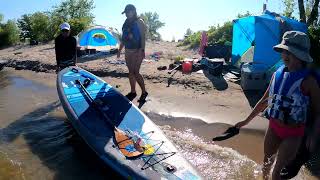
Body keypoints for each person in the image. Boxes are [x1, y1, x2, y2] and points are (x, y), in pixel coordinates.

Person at [234, 31, 320, 180]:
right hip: (274, 127)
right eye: (283, 51)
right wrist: (245, 121)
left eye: (290, 53)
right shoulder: (276, 75)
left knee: (277, 172)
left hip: (294, 133)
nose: (285, 55)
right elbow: (264, 101)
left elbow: (319, 112)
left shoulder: (309, 82)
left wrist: (313, 135)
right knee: (267, 162)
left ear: (301, 56)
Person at [117, 4, 148, 102]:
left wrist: (142, 50)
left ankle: (144, 92)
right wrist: (119, 50)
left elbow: (143, 37)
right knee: (130, 72)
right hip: (128, 51)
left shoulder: (139, 22)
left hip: (137, 51)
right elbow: (123, 39)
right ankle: (133, 91)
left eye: (128, 12)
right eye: (125, 12)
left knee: (136, 72)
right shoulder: (125, 23)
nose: (126, 14)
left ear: (133, 11)